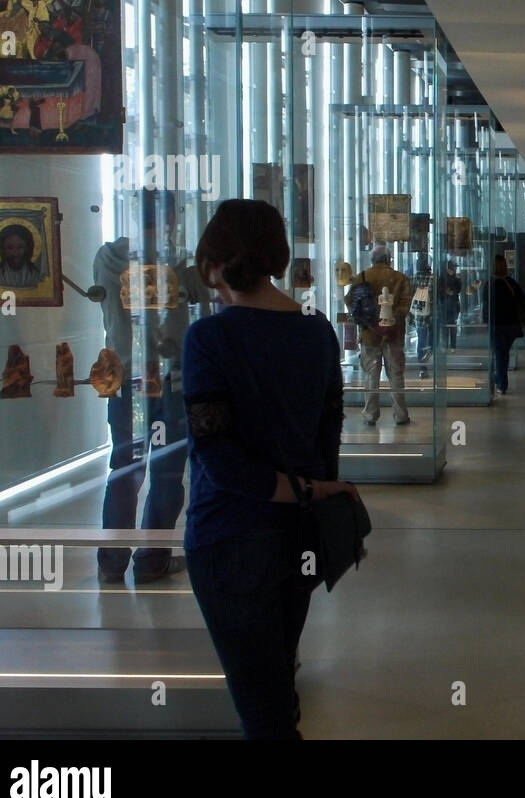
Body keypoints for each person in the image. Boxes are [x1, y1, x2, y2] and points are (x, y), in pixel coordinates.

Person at [182, 199, 356, 740]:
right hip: (300, 532)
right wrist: (310, 491)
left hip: (230, 533)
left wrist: (294, 488)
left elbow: (218, 457)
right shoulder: (317, 329)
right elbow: (327, 433)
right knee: (278, 682)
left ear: (214, 263)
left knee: (263, 708)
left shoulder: (208, 338)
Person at [94, 191, 206, 583]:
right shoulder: (178, 263)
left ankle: (111, 561)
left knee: (123, 469)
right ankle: (152, 560)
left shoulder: (106, 257)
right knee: (166, 474)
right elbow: (201, 295)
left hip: (124, 380)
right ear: (171, 216)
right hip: (168, 380)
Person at [345, 246, 411, 426]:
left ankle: (370, 414)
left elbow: (350, 302)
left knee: (371, 376)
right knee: (396, 375)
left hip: (369, 334)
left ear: (372, 259)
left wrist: (370, 321)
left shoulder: (362, 277)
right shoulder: (400, 278)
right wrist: (390, 322)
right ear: (389, 259)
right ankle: (401, 414)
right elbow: (405, 306)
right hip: (394, 334)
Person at [483, 254, 525, 395]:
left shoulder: (489, 283)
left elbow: (486, 304)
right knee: (503, 354)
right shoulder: (512, 283)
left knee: (499, 354)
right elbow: (523, 303)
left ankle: (501, 383)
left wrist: (485, 321)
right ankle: (499, 381)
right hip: (512, 325)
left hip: (497, 324)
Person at [0, 224, 44, 288]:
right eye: (10, 248)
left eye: (20, 247)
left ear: (27, 248)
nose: (15, 253)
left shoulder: (35, 275)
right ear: (2, 249)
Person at [410, 254, 434, 379]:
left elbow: (410, 294)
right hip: (431, 313)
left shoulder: (414, 278)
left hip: (418, 314)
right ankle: (430, 350)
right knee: (432, 336)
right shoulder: (432, 278)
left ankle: (422, 368)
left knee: (421, 339)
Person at [439, 260, 461, 352]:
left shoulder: (456, 277)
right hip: (445, 303)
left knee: (452, 326)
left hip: (453, 303)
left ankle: (452, 346)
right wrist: (446, 291)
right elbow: (439, 289)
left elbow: (459, 289)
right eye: (453, 267)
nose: (454, 268)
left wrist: (453, 292)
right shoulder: (443, 276)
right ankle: (445, 345)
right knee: (445, 326)